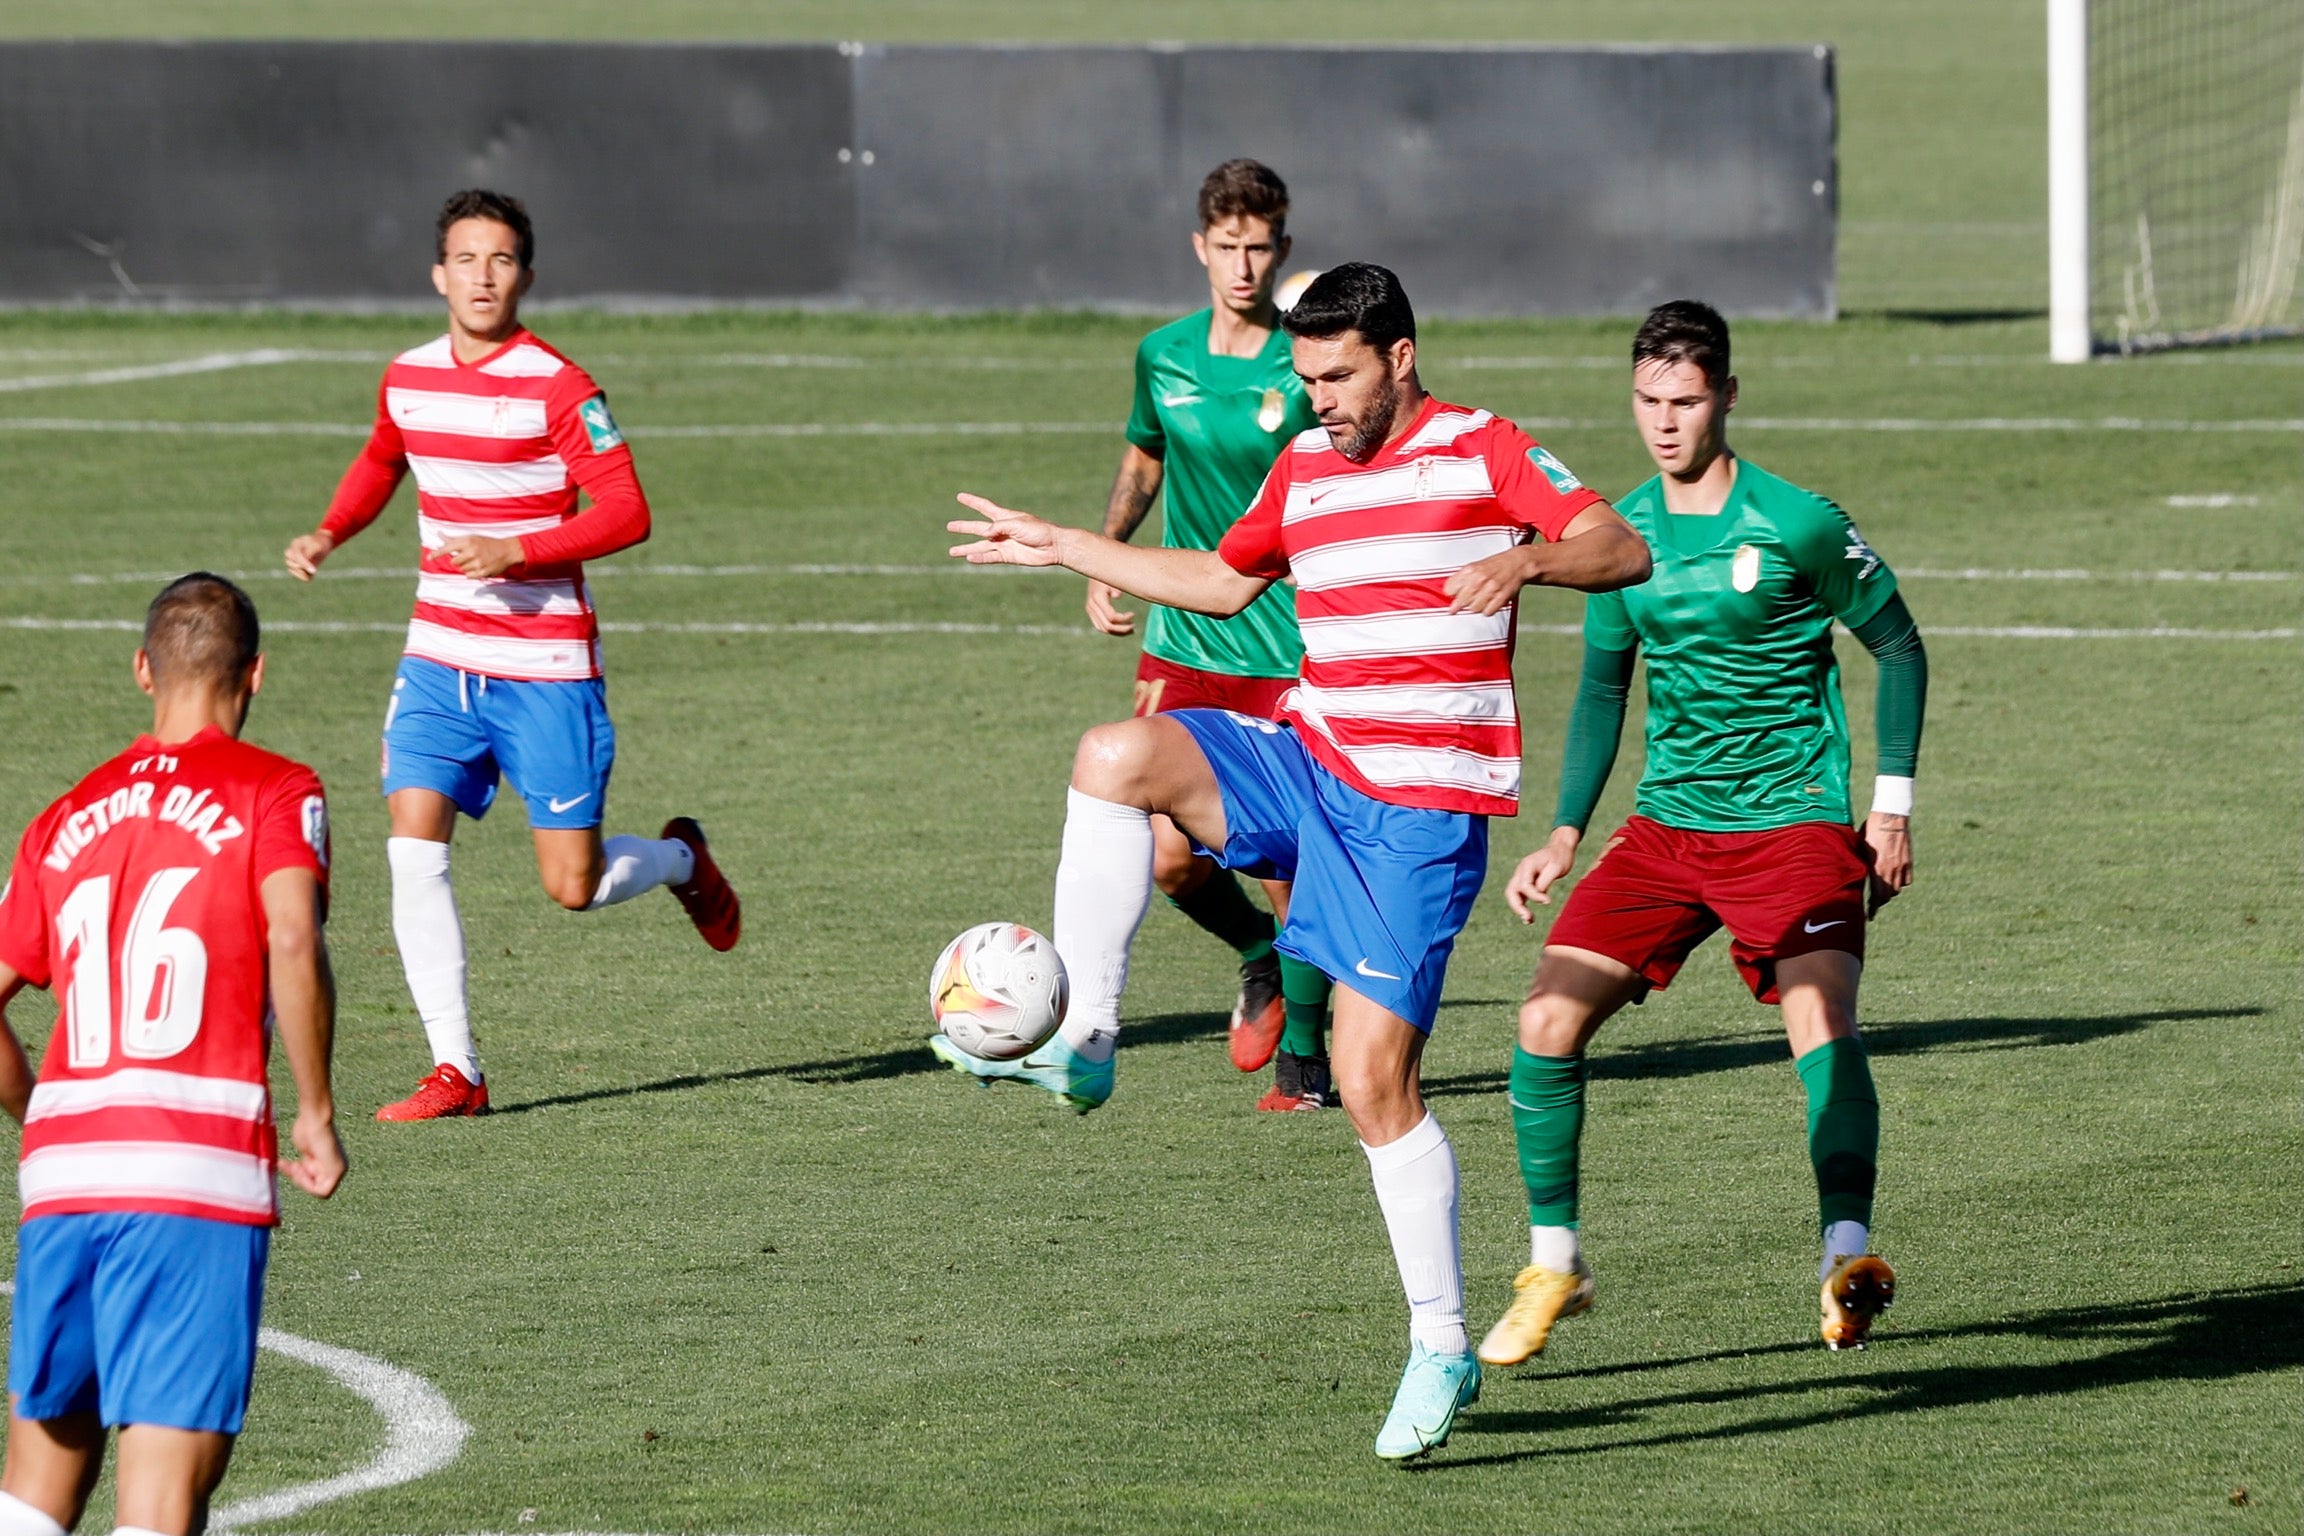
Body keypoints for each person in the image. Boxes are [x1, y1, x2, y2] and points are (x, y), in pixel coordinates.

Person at [937, 264, 1651, 1458]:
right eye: (1307, 377)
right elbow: (1222, 581)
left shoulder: (1485, 448)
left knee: (1374, 1083)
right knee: (1115, 755)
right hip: (1311, 754)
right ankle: (1088, 1037)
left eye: (1339, 375)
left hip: (1419, 814)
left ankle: (1438, 1345)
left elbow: (1617, 546)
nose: (1319, 398)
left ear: (1402, 357)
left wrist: (1526, 561)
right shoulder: (1307, 465)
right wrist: (1067, 546)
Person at [1476, 300, 1928, 1370]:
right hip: (1668, 834)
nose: (1664, 423)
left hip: (1794, 826)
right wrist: (1564, 832)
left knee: (1818, 1013)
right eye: (1647, 401)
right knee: (1543, 1022)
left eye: (1685, 400)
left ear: (1727, 395)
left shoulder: (1799, 523)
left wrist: (1893, 804)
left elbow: (1900, 649)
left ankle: (1845, 1257)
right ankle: (1555, 1266)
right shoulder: (1616, 541)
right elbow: (1599, 694)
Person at [282, 188, 741, 1122]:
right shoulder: (407, 375)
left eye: (500, 260)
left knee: (573, 889)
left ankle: (680, 862)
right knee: (413, 850)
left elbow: (627, 508)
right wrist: (332, 531)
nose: (481, 277)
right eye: (465, 259)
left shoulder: (561, 386)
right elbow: (382, 458)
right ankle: (458, 1070)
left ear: (526, 275)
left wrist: (521, 549)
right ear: (437, 273)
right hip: (436, 660)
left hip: (545, 670)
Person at [0, 574, 347, 1536]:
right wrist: (314, 1115)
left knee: (31, 1494)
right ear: (257, 675)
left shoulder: (66, 814)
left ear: (142, 670)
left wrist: (38, 1110)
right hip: (190, 1172)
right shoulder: (277, 788)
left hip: (65, 1174)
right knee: (157, 1506)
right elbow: (290, 937)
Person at [1082, 158, 1335, 1111]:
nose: (1243, 265)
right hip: (1183, 639)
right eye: (1227, 247)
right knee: (1170, 855)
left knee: (1283, 858)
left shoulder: (1305, 362)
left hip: (1283, 644)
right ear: (1200, 246)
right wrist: (1106, 557)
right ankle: (1261, 960)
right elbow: (1145, 454)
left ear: (1282, 250)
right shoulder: (1164, 354)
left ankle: (1305, 1062)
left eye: (1259, 247)